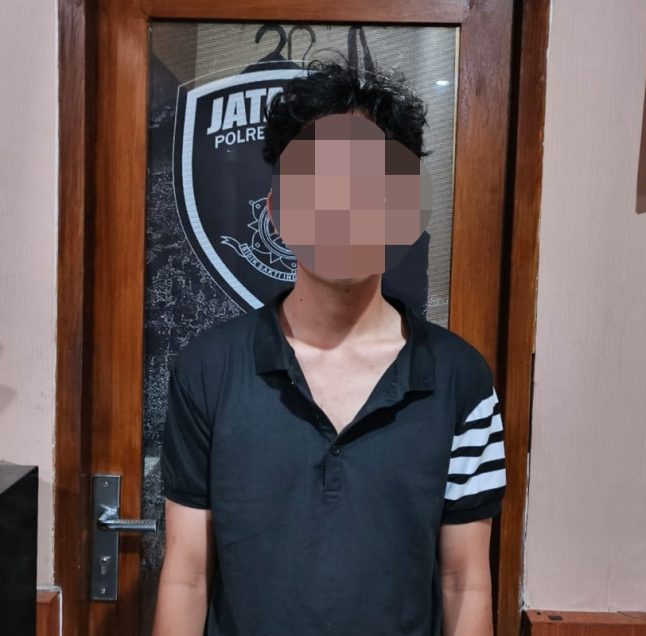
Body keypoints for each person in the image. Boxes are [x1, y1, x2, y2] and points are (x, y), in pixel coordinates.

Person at [153, 58, 506, 636]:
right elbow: (187, 575)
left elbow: (464, 583)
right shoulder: (208, 371)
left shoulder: (461, 380)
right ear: (277, 211)